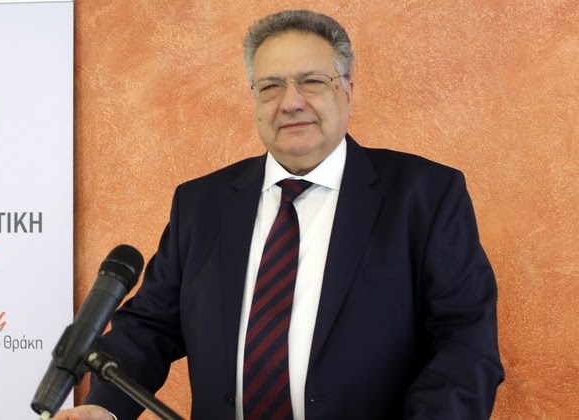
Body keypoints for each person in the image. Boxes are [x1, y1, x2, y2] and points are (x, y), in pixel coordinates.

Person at [54, 9, 504, 420]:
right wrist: (104, 408)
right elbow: (149, 327)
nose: (290, 102)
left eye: (312, 81)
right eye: (270, 86)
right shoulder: (201, 204)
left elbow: (465, 343)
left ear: (347, 91)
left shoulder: (424, 195)